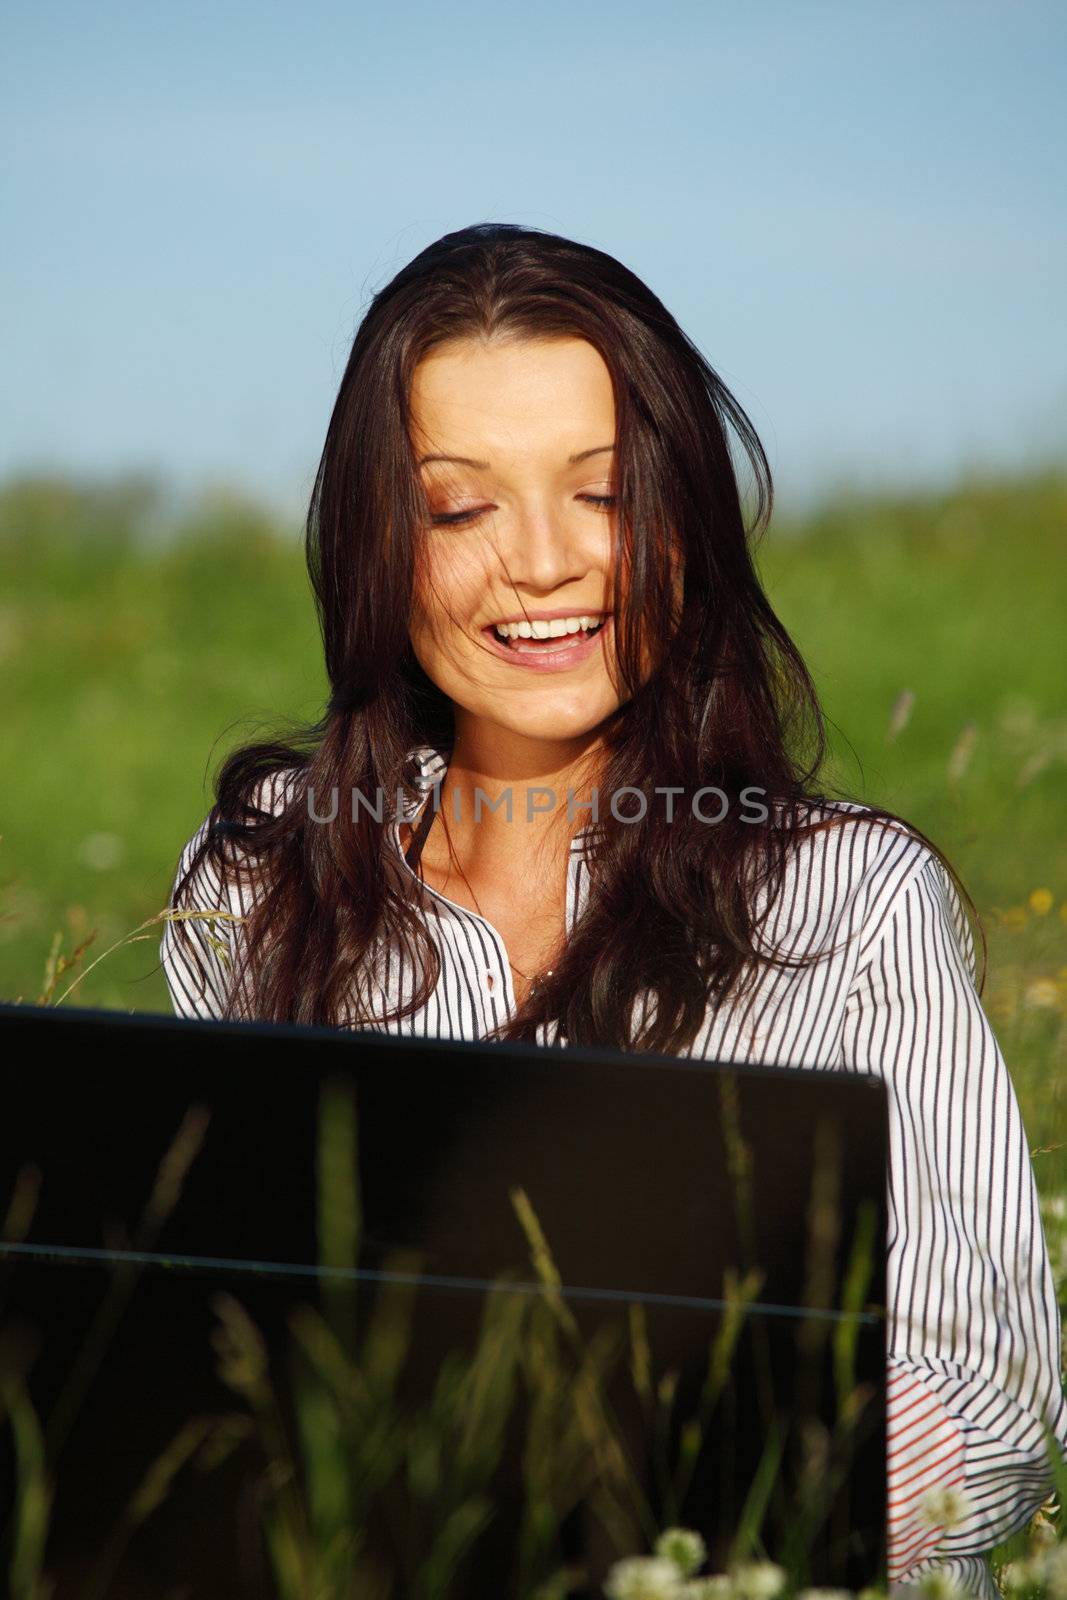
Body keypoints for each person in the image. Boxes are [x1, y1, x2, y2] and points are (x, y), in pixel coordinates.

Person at [160, 223, 1066, 1597]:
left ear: (685, 516)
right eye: (460, 507)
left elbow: (991, 1386)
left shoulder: (845, 899)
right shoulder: (259, 881)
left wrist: (701, 1517)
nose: (544, 566)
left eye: (601, 496)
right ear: (372, 540)